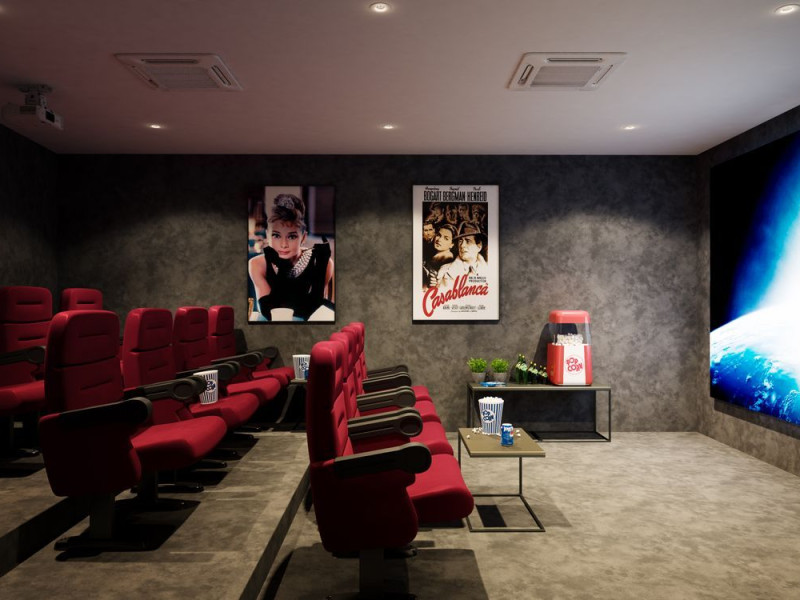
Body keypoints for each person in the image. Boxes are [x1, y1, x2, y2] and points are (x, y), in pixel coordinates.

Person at [248, 194, 334, 321]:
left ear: (303, 238)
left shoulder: (321, 261)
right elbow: (268, 311)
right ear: (267, 235)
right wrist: (283, 266)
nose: (283, 244)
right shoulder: (256, 264)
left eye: (292, 236)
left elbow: (316, 309)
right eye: (276, 235)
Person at [434, 222, 488, 289]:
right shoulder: (444, 270)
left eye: (468, 241)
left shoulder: (490, 271)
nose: (462, 245)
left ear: (479, 246)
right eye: (460, 241)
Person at [423, 224, 457, 288]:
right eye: (438, 235)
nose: (439, 239)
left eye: (446, 238)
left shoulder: (447, 257)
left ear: (452, 244)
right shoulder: (434, 253)